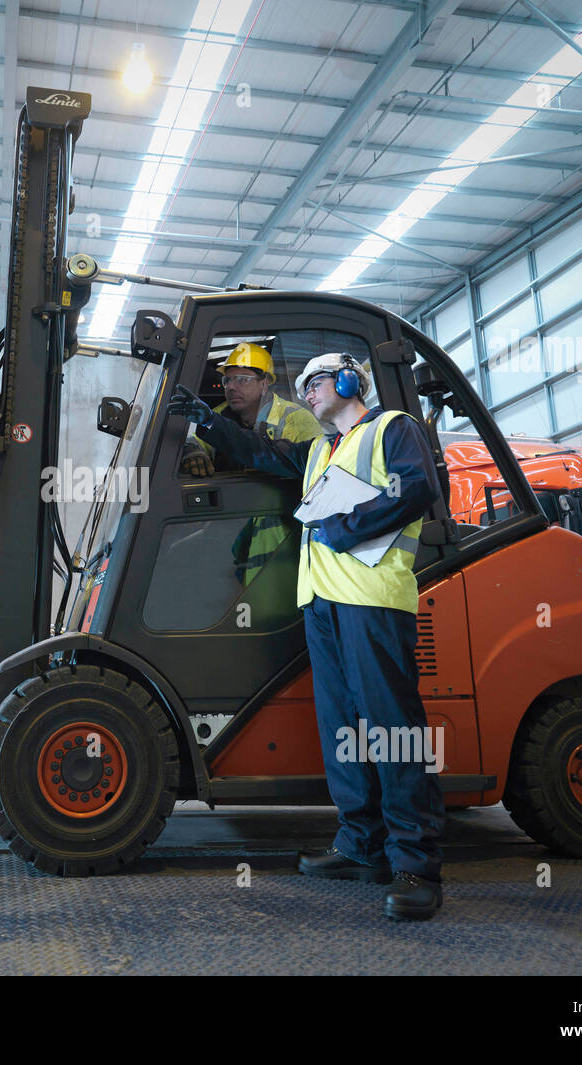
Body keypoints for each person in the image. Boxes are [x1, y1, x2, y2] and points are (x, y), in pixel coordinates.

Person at [168, 353, 447, 920]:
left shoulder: (393, 430)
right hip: (321, 603)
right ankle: (359, 846)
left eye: (315, 382)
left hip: (371, 600)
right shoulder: (319, 450)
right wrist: (205, 418)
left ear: (348, 380)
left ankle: (416, 864)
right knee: (341, 726)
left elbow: (417, 489)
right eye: (303, 386)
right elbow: (262, 453)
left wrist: (345, 528)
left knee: (392, 728)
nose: (307, 392)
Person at [179, 342, 319, 478]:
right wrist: (193, 452)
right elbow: (196, 441)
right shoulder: (217, 414)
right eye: (227, 380)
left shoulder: (296, 418)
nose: (231, 387)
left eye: (242, 379)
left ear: (265, 384)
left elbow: (317, 468)